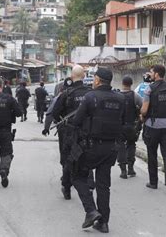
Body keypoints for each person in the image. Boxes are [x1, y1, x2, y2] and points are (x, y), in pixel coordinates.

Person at [70, 67, 125, 233]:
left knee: (77, 176)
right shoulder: (120, 98)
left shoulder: (90, 97)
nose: (93, 80)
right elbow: (123, 121)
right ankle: (103, 222)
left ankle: (91, 210)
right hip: (111, 148)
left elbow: (77, 121)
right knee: (103, 185)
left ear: (98, 80)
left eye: (94, 78)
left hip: (92, 147)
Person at [52, 65, 92, 200]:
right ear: (84, 76)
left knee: (68, 159)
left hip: (69, 132)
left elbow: (55, 113)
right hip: (88, 132)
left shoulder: (66, 94)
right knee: (86, 158)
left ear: (72, 77)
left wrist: (63, 123)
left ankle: (67, 187)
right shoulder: (91, 93)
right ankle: (87, 185)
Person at [140, 64, 166, 196]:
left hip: (152, 127)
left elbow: (144, 109)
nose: (149, 74)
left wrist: (141, 114)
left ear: (156, 74)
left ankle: (153, 182)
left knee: (152, 154)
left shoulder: (149, 89)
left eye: (151, 72)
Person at [117, 75, 143, 179]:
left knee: (120, 146)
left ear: (122, 83)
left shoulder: (117, 96)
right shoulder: (135, 96)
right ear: (131, 84)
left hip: (120, 126)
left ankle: (123, 170)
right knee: (131, 145)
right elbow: (143, 107)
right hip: (132, 126)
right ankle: (131, 168)